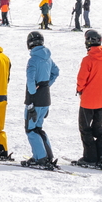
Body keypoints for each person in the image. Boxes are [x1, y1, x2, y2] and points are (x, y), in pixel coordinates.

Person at [73, 29, 102, 168]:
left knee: (85, 128)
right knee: (99, 128)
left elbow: (81, 79)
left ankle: (90, 157)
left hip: (88, 100)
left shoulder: (88, 59)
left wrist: (80, 89)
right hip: (101, 99)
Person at [20, 31, 60, 168]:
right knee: (38, 128)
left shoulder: (33, 60)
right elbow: (56, 71)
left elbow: (30, 80)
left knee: (31, 129)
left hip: (35, 99)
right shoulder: (48, 57)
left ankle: (41, 158)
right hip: (46, 98)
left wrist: (32, 93)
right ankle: (46, 155)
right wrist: (47, 84)